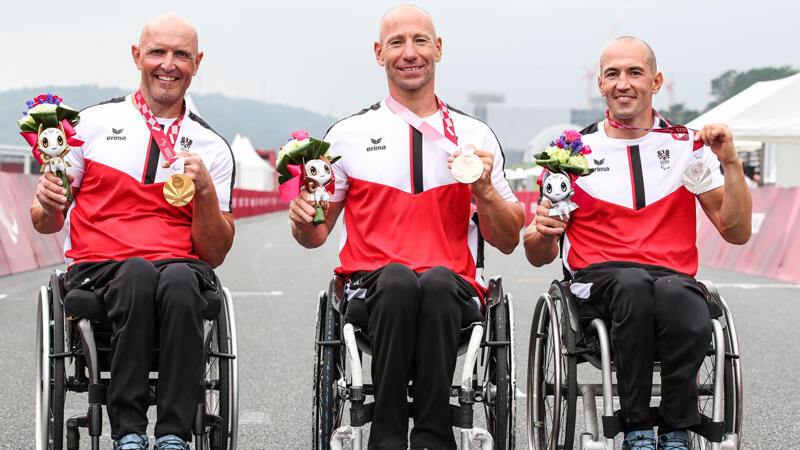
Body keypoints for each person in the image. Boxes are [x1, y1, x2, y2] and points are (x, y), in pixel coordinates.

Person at [289, 5, 524, 449]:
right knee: (397, 278)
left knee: (435, 281)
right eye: (396, 43)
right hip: (370, 289)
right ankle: (389, 438)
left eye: (420, 41)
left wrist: (486, 190)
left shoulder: (475, 136)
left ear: (438, 49)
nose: (409, 53)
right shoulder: (348, 135)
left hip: (451, 288)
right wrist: (303, 218)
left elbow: (509, 239)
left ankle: (433, 438)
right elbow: (314, 235)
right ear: (379, 53)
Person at [523, 36, 751, 450]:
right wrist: (541, 229)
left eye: (634, 72)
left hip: (670, 278)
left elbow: (736, 231)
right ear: (601, 84)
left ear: (656, 81)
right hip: (599, 282)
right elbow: (538, 256)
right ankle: (638, 426)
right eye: (613, 74)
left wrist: (731, 164)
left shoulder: (689, 146)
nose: (623, 83)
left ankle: (678, 428)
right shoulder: (569, 153)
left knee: (680, 295)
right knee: (631, 286)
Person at [30, 13, 235, 450]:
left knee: (181, 280)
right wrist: (47, 201)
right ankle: (129, 431)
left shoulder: (213, 147)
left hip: (180, 265)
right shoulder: (88, 126)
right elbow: (45, 220)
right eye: (158, 51)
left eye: (181, 54)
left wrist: (204, 195)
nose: (168, 64)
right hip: (100, 268)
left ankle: (175, 435)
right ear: (137, 56)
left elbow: (214, 253)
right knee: (137, 273)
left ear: (197, 63)